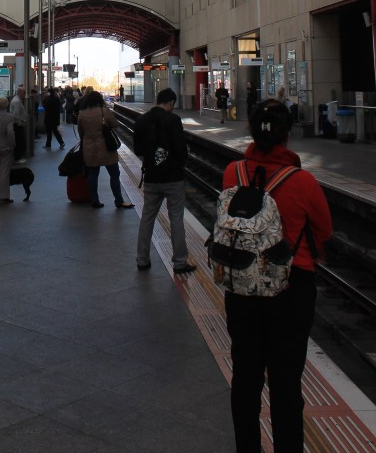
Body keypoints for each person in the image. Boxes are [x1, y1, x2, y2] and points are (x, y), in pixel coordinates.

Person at [221, 99, 332, 453]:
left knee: (246, 378)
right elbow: (323, 232)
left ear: (252, 131)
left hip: (241, 286)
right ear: (286, 134)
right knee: (286, 382)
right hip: (291, 290)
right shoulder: (303, 182)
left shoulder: (232, 173)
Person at [133, 87, 196, 274]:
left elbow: (138, 151)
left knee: (147, 217)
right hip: (173, 178)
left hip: (152, 177)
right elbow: (179, 149)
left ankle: (142, 259)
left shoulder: (142, 120)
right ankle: (179, 262)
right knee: (176, 218)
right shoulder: (173, 120)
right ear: (170, 102)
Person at [77, 89, 133, 209]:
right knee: (114, 174)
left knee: (93, 174)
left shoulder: (82, 113)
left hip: (89, 147)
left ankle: (94, 200)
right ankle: (118, 200)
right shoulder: (103, 111)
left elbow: (81, 132)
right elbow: (115, 124)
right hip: (106, 147)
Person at [9, 85, 28, 161]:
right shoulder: (17, 101)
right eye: (24, 93)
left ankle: (18, 156)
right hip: (17, 125)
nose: (24, 95)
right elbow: (16, 114)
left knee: (19, 140)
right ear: (20, 93)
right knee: (18, 140)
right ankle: (17, 157)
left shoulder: (17, 100)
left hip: (17, 124)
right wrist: (21, 122)